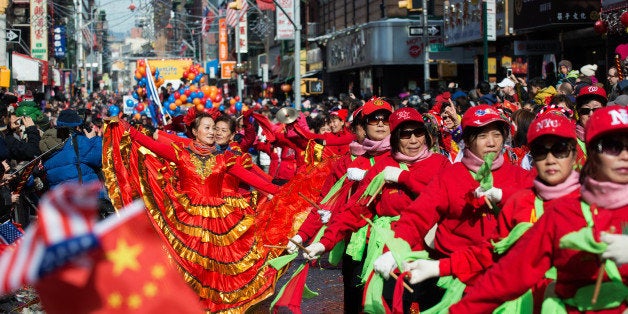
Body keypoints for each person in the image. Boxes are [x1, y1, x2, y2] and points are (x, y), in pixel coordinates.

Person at [102, 109, 296, 313]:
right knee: (190, 266)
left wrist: (288, 190)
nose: (212, 132)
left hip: (219, 222)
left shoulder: (224, 159)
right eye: (207, 128)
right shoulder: (182, 153)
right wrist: (123, 127)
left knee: (217, 270)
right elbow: (148, 143)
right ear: (195, 131)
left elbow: (254, 180)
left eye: (214, 128)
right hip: (187, 219)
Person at [450, 105, 628, 313]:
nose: (624, 155)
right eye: (612, 146)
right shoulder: (563, 212)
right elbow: (511, 273)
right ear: (592, 153)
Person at [404, 111, 580, 312]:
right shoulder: (521, 201)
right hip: (486, 286)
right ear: (468, 141)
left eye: (560, 150)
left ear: (574, 154)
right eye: (540, 151)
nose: (550, 159)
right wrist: (436, 266)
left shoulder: (595, 201)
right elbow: (494, 253)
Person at [372, 105, 534, 310]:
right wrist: (393, 251)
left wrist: (505, 197)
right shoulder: (450, 176)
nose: (492, 143)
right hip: (455, 279)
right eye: (483, 135)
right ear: (467, 140)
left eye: (497, 134)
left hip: (505, 279)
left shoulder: (519, 176)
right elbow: (417, 217)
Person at [303, 107, 451, 312]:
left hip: (430, 254)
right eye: (405, 135)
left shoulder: (441, 163)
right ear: (396, 138)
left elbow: (444, 198)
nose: (413, 140)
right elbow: (357, 209)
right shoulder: (383, 166)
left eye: (418, 133)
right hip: (391, 256)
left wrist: (404, 178)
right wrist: (324, 242)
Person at [288, 98, 394, 313]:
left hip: (393, 245)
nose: (381, 124)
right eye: (374, 120)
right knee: (355, 303)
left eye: (386, 119)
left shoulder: (404, 157)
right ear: (361, 128)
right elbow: (326, 204)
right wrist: (303, 235)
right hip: (355, 243)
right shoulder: (348, 163)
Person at [43, 109, 101, 188]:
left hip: (59, 197)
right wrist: (94, 139)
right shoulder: (80, 141)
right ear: (76, 126)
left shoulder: (47, 142)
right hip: (83, 194)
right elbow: (99, 159)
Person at [574, 85, 608, 170]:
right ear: (578, 113)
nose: (591, 115)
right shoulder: (569, 139)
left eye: (597, 110)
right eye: (585, 111)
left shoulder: (614, 137)